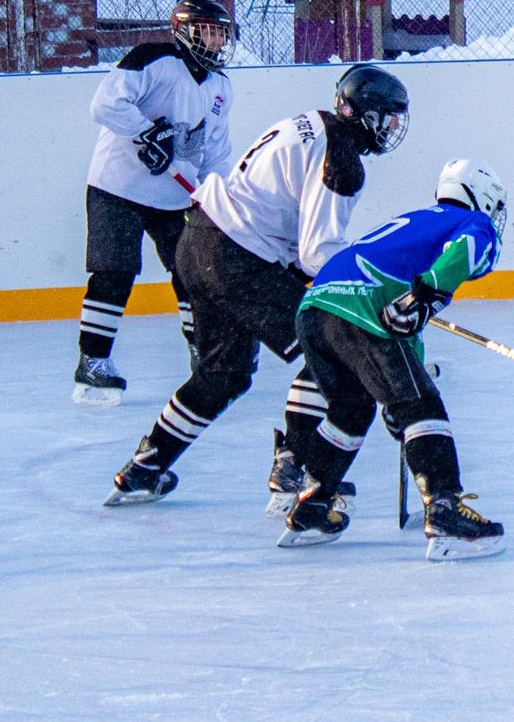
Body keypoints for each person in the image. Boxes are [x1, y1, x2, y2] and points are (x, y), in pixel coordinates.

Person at [103, 64, 410, 506]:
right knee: (331, 347)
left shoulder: (312, 121)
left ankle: (144, 468)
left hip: (200, 240)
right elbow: (317, 252)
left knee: (222, 374)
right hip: (238, 259)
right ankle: (296, 463)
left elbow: (296, 242)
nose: (394, 127)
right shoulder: (342, 159)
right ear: (366, 114)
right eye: (390, 117)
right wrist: (372, 294)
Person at [280, 158, 508, 559]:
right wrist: (430, 292)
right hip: (362, 309)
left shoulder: (417, 221)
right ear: (484, 197)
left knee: (350, 410)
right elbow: (471, 248)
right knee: (421, 404)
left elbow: (406, 339)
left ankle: (312, 505)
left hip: (314, 309)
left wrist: (398, 390)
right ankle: (443, 509)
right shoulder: (471, 222)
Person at [73, 0, 236, 405]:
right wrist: (148, 131)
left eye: (220, 31)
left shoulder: (220, 87)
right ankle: (92, 360)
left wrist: (213, 197)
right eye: (208, 30)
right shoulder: (153, 58)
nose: (216, 39)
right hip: (117, 187)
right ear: (184, 29)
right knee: (115, 271)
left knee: (193, 275)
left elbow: (215, 150)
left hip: (174, 197)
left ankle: (204, 352)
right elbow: (105, 103)